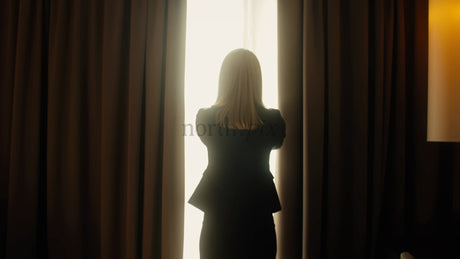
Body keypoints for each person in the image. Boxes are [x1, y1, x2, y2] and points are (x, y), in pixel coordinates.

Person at [188, 49, 286, 259]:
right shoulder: (273, 122)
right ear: (257, 80)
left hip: (218, 216)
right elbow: (277, 142)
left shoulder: (206, 119)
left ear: (224, 79)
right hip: (259, 216)